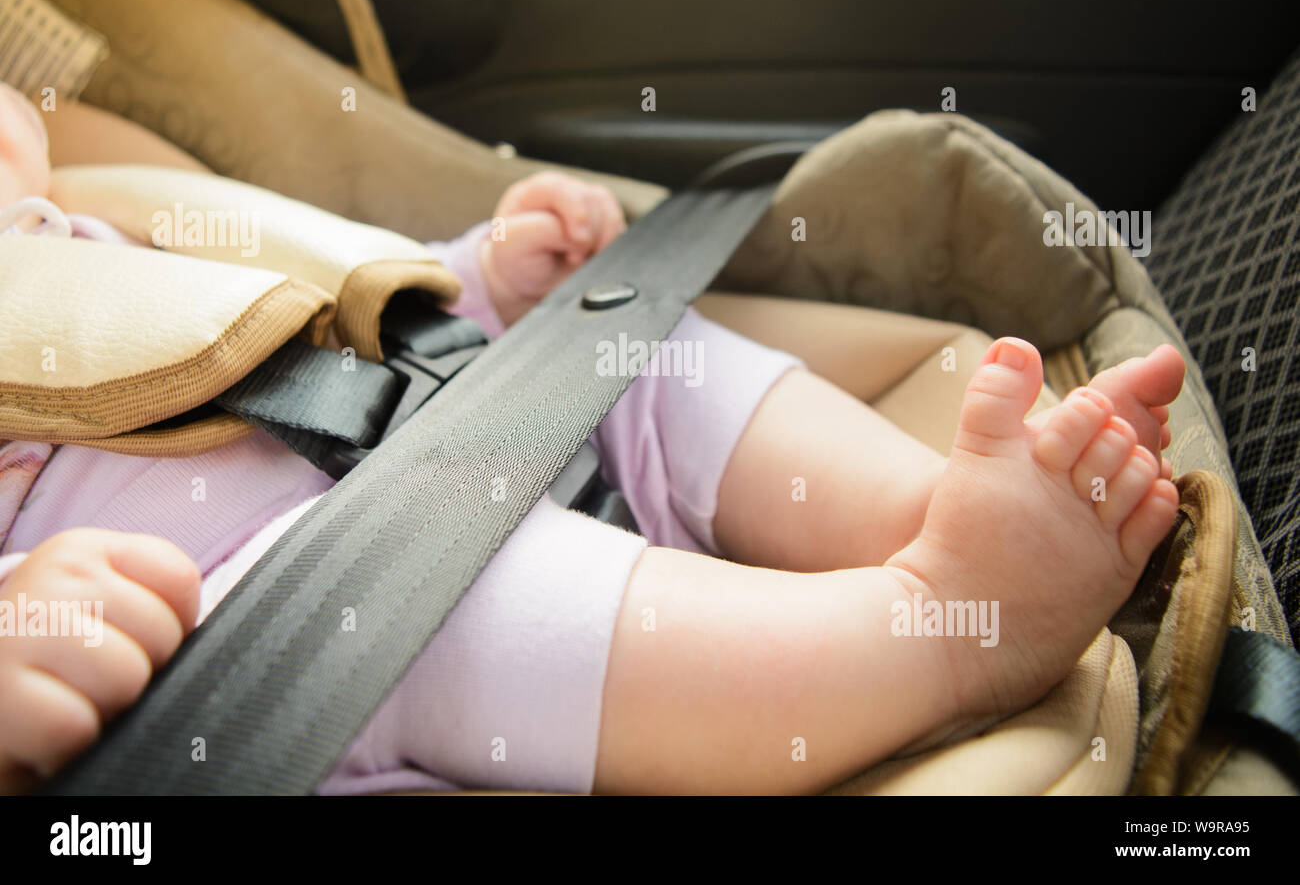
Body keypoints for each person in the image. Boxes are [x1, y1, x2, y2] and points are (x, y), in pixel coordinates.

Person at [0, 83, 1185, 794]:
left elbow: (314, 304)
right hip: (282, 608)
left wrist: (488, 277)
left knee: (640, 355)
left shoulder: (102, 223)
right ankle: (933, 631)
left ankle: (919, 509)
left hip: (474, 403)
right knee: (436, 605)